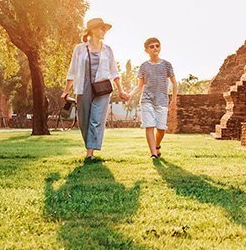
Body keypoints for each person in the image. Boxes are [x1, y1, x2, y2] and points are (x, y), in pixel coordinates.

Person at [61, 18, 129, 161]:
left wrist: (121, 90)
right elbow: (72, 71)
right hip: (83, 87)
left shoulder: (108, 50)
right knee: (83, 120)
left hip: (102, 88)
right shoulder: (79, 49)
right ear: (92, 30)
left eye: (104, 29)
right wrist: (66, 90)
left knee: (96, 119)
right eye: (100, 28)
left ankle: (90, 153)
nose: (103, 31)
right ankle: (90, 146)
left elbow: (114, 72)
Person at [127, 37, 177, 159]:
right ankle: (153, 153)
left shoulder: (167, 65)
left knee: (161, 129)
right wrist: (129, 95)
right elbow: (140, 86)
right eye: (152, 46)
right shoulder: (144, 66)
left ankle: (157, 145)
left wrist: (173, 101)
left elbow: (175, 83)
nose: (155, 48)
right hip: (147, 100)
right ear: (146, 50)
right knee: (149, 126)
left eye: (157, 45)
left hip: (162, 101)